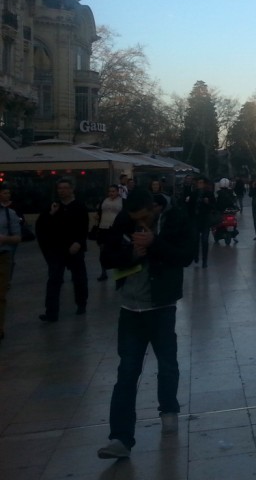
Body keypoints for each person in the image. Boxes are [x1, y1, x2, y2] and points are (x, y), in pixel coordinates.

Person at [97, 190, 195, 460]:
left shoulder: (176, 218)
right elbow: (107, 258)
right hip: (130, 308)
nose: (139, 223)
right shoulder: (124, 221)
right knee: (127, 372)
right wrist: (131, 254)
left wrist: (154, 243)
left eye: (143, 218)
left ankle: (169, 409)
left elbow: (187, 255)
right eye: (135, 219)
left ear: (155, 208)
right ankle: (120, 437)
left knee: (167, 363)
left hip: (161, 306)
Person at [36, 178, 91, 321]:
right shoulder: (53, 206)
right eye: (60, 188)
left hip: (74, 248)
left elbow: (83, 227)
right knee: (54, 280)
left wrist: (79, 243)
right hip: (57, 249)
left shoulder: (79, 206)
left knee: (79, 278)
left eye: (65, 188)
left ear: (72, 189)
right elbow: (42, 225)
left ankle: (81, 303)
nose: (62, 191)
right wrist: (51, 214)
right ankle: (51, 312)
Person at [0, 184, 22, 343]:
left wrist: (4, 239)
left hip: (3, 256)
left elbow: (17, 237)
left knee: (1, 295)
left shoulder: (9, 214)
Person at [95, 185, 124, 281]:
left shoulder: (122, 201)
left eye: (113, 191)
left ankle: (119, 271)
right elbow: (99, 212)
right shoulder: (104, 200)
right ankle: (103, 272)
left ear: (117, 192)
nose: (111, 193)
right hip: (103, 227)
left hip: (115, 229)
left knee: (116, 251)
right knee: (102, 251)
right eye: (110, 191)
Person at [186, 176, 216, 267]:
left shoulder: (209, 194)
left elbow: (214, 206)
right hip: (195, 220)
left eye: (202, 183)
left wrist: (208, 203)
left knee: (205, 240)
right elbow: (189, 207)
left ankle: (204, 260)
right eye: (199, 183)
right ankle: (196, 255)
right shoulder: (193, 193)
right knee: (195, 239)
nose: (200, 185)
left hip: (205, 220)